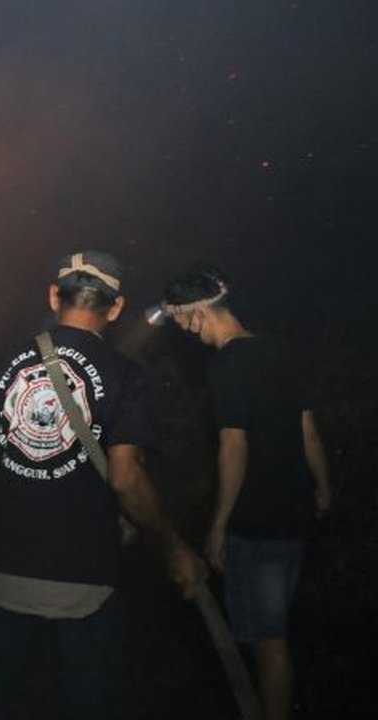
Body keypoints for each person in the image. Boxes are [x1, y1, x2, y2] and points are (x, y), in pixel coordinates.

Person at [0, 251, 207, 720]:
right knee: (88, 699)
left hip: (5, 569)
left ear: (54, 296)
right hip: (85, 576)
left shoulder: (1, 366)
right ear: (115, 309)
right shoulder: (127, 376)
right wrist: (175, 547)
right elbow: (126, 477)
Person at [157, 265, 330, 720]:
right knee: (273, 637)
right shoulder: (279, 352)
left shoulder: (227, 365)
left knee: (266, 643)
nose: (179, 328)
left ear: (197, 313)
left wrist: (218, 526)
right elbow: (308, 430)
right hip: (295, 515)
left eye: (178, 318)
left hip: (256, 524)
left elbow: (234, 445)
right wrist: (323, 489)